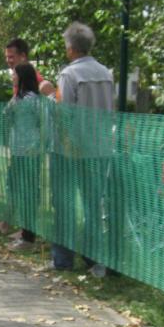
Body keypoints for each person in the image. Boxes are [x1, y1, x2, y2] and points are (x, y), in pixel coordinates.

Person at [50, 22, 115, 276]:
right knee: (92, 205)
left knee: (64, 204)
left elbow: (63, 114)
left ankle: (63, 260)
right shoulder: (106, 73)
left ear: (71, 48)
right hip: (100, 147)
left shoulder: (69, 74)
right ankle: (93, 259)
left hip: (71, 150)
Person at [0, 38, 55, 235]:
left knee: (29, 187)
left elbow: (47, 114)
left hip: (30, 150)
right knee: (13, 183)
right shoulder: (18, 91)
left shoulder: (35, 84)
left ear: (23, 57)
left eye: (12, 57)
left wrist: (40, 144)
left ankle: (27, 231)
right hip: (17, 147)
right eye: (7, 57)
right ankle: (9, 222)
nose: (8, 61)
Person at [3, 63, 43, 250]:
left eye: (15, 74)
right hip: (17, 151)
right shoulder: (18, 98)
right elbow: (6, 115)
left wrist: (37, 145)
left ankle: (28, 237)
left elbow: (43, 123)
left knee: (29, 193)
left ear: (22, 76)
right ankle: (23, 231)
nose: (12, 77)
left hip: (30, 153)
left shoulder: (32, 100)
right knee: (16, 189)